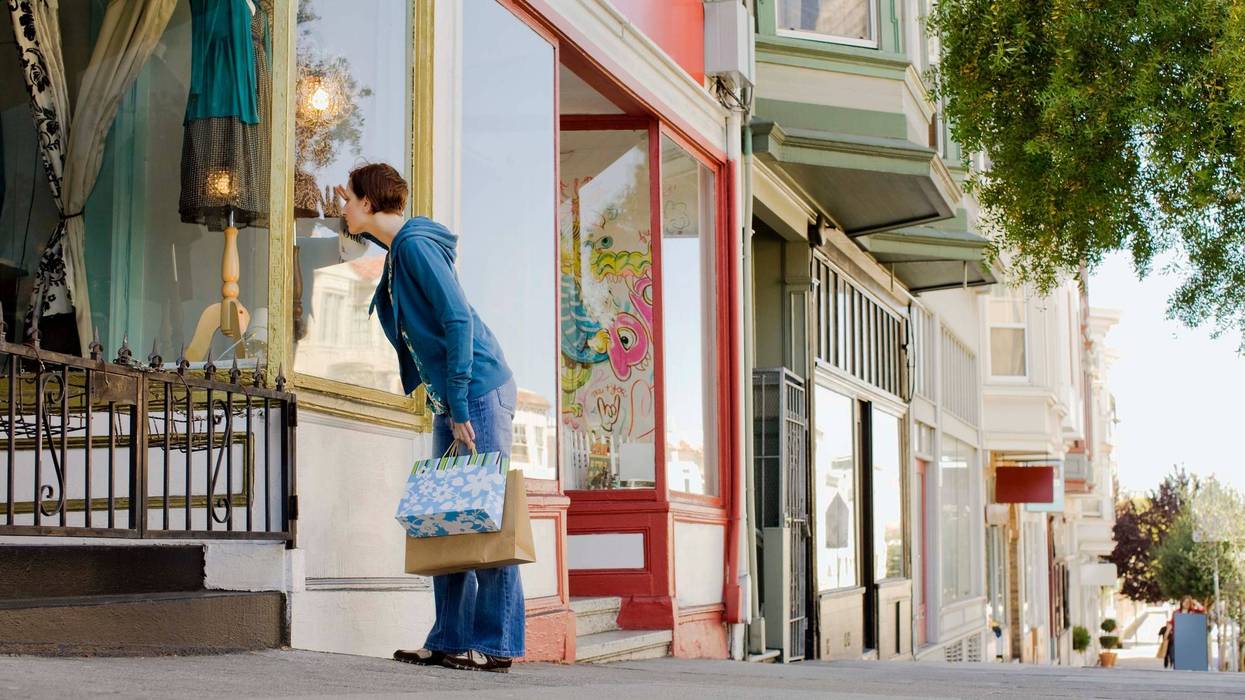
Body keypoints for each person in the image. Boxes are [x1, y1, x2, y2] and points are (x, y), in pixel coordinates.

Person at [336, 163, 522, 673]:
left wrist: (459, 404)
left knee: (484, 517)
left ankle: (496, 643)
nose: (343, 208)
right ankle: (449, 638)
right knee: (448, 517)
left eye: (349, 199)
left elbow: (456, 318)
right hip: (455, 396)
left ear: (370, 203)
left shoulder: (414, 247)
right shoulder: (401, 249)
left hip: (477, 390)